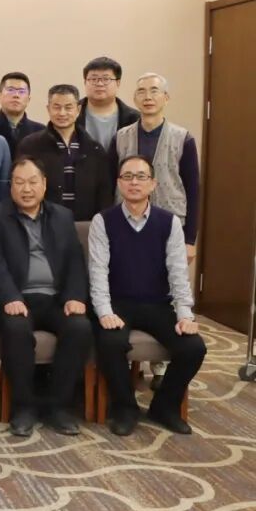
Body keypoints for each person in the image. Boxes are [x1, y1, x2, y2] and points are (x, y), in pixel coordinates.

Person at [89, 155, 206, 436]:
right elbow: (98, 271)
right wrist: (105, 312)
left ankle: (164, 407)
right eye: (127, 176)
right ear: (119, 183)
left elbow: (178, 273)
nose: (134, 182)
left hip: (157, 304)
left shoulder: (169, 222)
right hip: (117, 303)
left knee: (194, 347)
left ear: (153, 184)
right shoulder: (103, 221)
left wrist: (185, 315)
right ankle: (124, 407)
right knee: (110, 342)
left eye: (141, 176)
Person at [0, 156, 93, 437]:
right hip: (16, 299)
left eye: (33, 182)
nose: (26, 189)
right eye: (19, 182)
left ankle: (58, 406)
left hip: (55, 298)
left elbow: (75, 261)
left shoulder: (62, 216)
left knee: (79, 327)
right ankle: (24, 406)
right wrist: (10, 297)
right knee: (16, 328)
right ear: (11, 187)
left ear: (44, 184)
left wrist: (75, 296)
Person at [110, 73, 200, 262]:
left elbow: (193, 190)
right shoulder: (120, 137)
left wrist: (190, 239)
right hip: (126, 221)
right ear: (135, 98)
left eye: (154, 91)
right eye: (141, 92)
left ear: (166, 98)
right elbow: (110, 183)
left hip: (171, 222)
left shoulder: (183, 138)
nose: (148, 97)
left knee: (168, 276)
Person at [17, 84, 113, 221]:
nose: (62, 113)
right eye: (56, 107)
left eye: (68, 107)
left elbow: (105, 194)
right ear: (48, 109)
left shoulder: (94, 149)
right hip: (44, 223)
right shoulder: (30, 146)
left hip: (86, 224)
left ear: (78, 110)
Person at [77, 57, 139, 149]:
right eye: (93, 79)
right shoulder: (70, 114)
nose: (99, 84)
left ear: (118, 83)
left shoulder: (135, 119)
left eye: (106, 79)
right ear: (85, 82)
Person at [0, 72, 45, 157]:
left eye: (22, 91)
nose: (16, 95)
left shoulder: (41, 132)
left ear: (28, 99)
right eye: (10, 90)